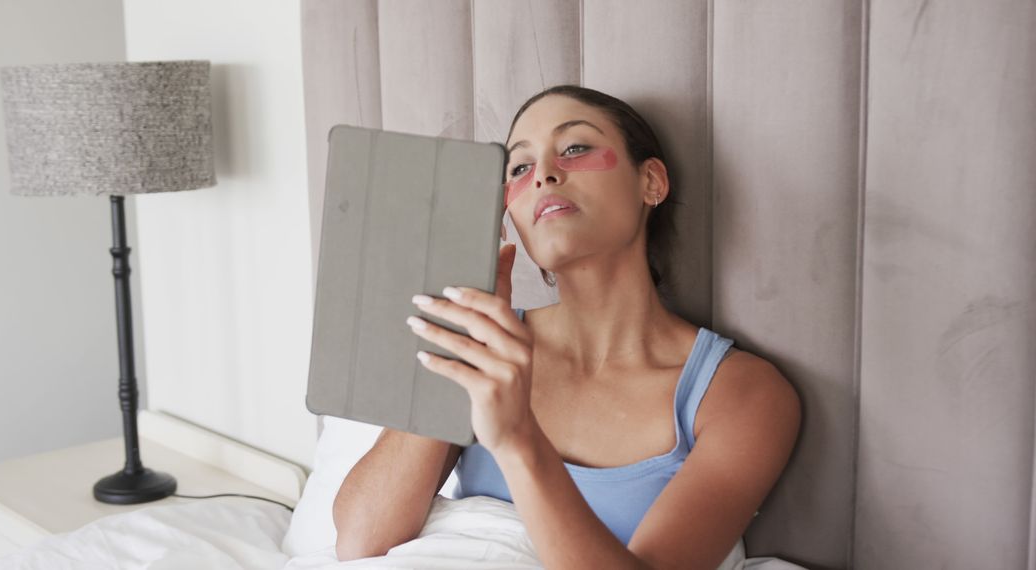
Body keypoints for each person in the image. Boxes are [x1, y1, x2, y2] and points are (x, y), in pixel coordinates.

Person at [332, 85, 801, 569]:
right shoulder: (487, 349)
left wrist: (517, 439)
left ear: (652, 182)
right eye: (519, 168)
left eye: (575, 148)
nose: (544, 176)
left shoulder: (743, 394)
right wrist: (459, 342)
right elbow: (360, 541)